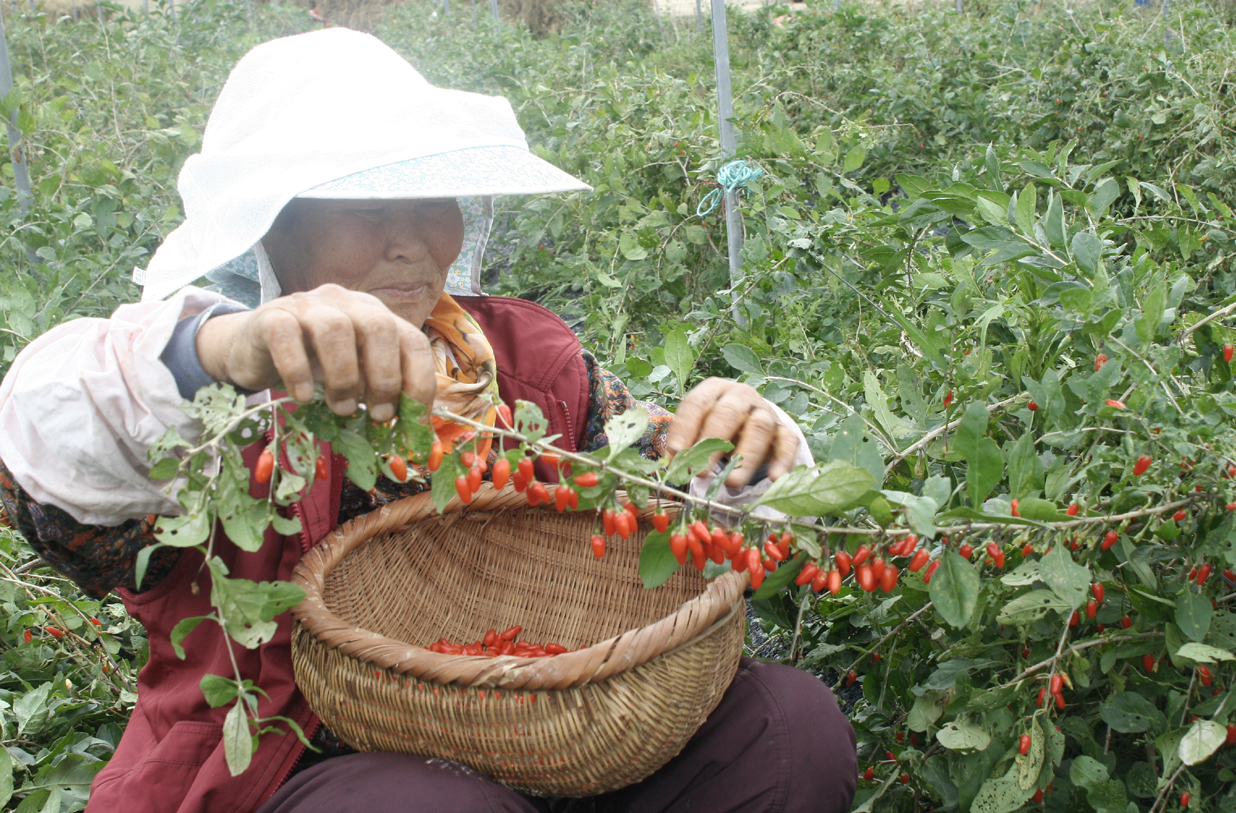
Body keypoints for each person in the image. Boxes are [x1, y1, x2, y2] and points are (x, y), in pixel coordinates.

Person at [0, 29, 858, 813]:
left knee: (786, 727)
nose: (411, 240)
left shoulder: (517, 361)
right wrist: (229, 351)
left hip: (554, 738)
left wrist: (739, 451)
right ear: (272, 228)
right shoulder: (215, 406)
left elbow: (673, 494)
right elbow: (41, 448)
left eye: (431, 198)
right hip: (295, 774)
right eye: (364, 208)